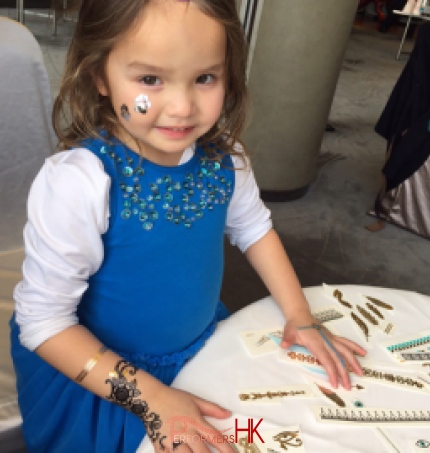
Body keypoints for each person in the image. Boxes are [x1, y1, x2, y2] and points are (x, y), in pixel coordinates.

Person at [10, 1, 367, 452]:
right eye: (149, 80)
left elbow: (255, 230)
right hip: (104, 381)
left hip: (200, 351)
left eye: (205, 78)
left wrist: (299, 315)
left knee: (262, 436)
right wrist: (153, 398)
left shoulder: (226, 158)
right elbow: (43, 324)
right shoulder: (78, 183)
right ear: (99, 75)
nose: (182, 107)